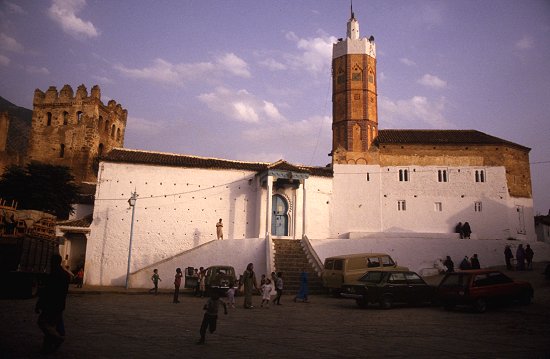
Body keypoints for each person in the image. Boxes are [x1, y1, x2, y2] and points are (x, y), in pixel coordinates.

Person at [35, 254, 70, 354]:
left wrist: (39, 304)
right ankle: (47, 348)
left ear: (53, 262)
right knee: (52, 325)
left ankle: (57, 338)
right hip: (60, 305)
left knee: (42, 323)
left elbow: (47, 292)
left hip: (51, 305)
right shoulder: (65, 275)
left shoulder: (53, 275)